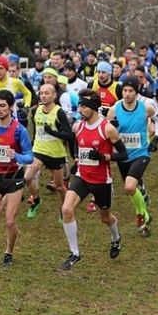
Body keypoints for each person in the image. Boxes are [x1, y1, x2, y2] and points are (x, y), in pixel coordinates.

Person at [60, 94, 129, 270]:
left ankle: (115, 238)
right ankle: (75, 253)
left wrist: (102, 156)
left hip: (102, 181)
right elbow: (77, 143)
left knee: (105, 218)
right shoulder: (78, 126)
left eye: (83, 107)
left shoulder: (107, 129)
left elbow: (123, 154)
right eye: (79, 106)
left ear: (93, 107)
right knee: (66, 209)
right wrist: (77, 160)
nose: (80, 110)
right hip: (82, 177)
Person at [0, 90, 34, 267]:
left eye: (2, 106)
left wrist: (16, 156)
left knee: (10, 221)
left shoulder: (20, 130)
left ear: (11, 107)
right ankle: (3, 201)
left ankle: (8, 252)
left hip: (14, 178)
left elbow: (29, 157)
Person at [106, 76, 158, 236]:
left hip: (141, 153)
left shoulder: (146, 107)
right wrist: (113, 127)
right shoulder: (114, 109)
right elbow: (108, 132)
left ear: (136, 92)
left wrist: (157, 137)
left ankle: (140, 215)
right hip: (123, 155)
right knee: (132, 189)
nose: (127, 94)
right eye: (125, 90)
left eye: (130, 90)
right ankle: (145, 217)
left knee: (129, 187)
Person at [24, 83, 74, 220]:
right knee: (27, 178)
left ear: (54, 95)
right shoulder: (36, 111)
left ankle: (64, 209)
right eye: (41, 93)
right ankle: (36, 199)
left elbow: (69, 136)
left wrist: (53, 132)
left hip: (55, 154)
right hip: (38, 151)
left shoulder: (59, 112)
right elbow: (36, 131)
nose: (43, 96)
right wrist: (33, 144)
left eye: (47, 93)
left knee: (58, 187)